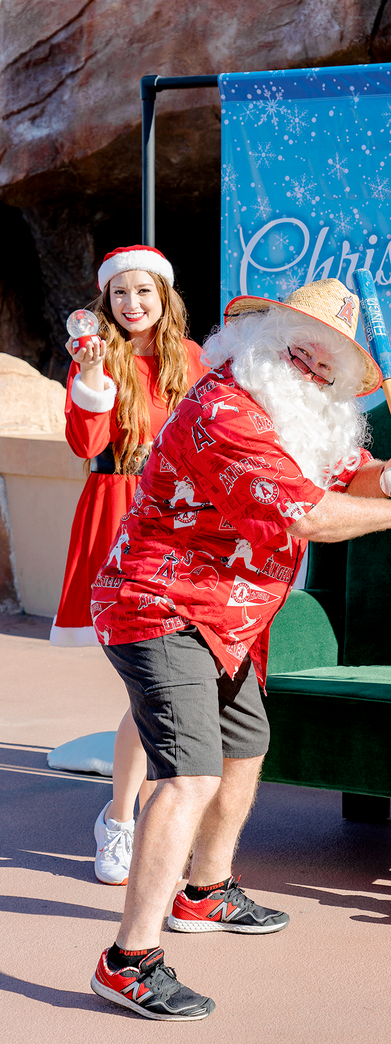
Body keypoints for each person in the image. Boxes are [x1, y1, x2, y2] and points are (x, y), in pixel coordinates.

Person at [88, 276, 391, 1020]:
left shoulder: (300, 417)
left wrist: (389, 478)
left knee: (246, 744)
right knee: (188, 775)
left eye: (329, 365)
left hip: (230, 619)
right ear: (262, 340)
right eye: (302, 350)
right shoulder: (224, 408)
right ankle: (129, 961)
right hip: (160, 602)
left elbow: (344, 478)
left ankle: (206, 893)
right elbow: (303, 513)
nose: (313, 368)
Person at [50, 245, 208, 886]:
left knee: (163, 686)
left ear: (164, 297)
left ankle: (152, 816)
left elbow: (210, 437)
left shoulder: (191, 360)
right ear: (104, 301)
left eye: (144, 291)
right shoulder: (95, 357)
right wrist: (91, 380)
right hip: (120, 513)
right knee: (153, 686)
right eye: (120, 293)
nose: (132, 304)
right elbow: (85, 444)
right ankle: (120, 821)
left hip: (180, 518)